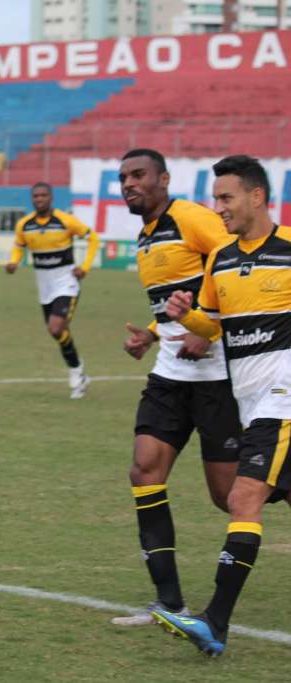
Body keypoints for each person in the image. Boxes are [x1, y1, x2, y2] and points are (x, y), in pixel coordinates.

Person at [155, 155, 291, 656]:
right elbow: (216, 328)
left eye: (227, 197)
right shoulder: (222, 259)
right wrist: (189, 318)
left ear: (257, 197)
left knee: (243, 498)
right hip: (250, 403)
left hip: (284, 400)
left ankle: (215, 623)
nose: (219, 208)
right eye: (215, 198)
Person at [114, 148, 242, 626]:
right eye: (124, 176)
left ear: (163, 179)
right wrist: (152, 333)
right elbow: (173, 299)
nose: (129, 183)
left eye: (139, 174)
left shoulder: (190, 218)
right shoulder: (146, 238)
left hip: (218, 376)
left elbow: (232, 259)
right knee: (145, 471)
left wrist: (204, 324)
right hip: (170, 374)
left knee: (228, 496)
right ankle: (169, 603)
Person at [5, 182, 99, 398]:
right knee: (56, 332)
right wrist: (13, 262)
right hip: (44, 284)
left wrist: (84, 267)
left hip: (66, 282)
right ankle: (80, 371)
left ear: (51, 198)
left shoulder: (65, 221)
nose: (39, 199)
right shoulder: (24, 225)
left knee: (56, 328)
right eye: (35, 196)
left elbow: (92, 238)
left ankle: (76, 374)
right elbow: (18, 246)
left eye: (43, 195)